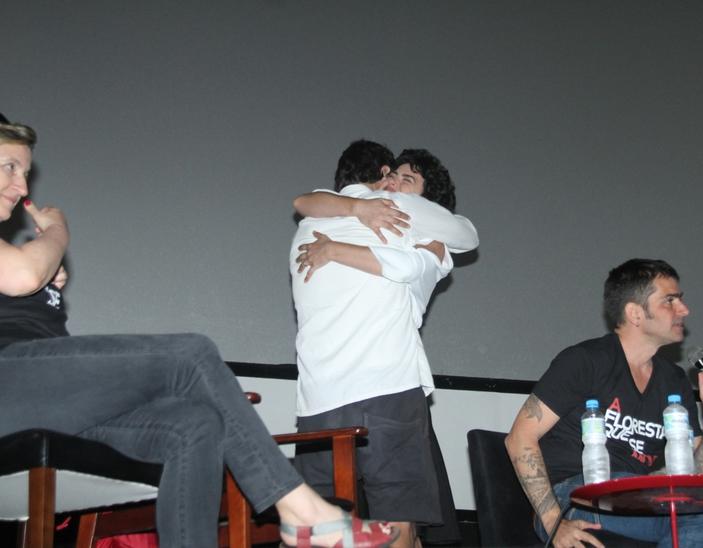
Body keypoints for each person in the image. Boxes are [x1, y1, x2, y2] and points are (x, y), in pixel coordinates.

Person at [0, 114, 396, 548]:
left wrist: (43, 283)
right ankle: (299, 510)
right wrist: (56, 234)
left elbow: (25, 293)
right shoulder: (21, 259)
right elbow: (22, 275)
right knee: (189, 355)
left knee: (194, 425)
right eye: (9, 167)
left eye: (25, 172)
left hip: (38, 401)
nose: (21, 186)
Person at [290, 141, 478, 548]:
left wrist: (334, 247)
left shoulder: (322, 220)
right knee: (396, 520)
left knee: (320, 527)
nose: (395, 183)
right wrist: (359, 211)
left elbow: (303, 201)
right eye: (393, 174)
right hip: (384, 388)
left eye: (406, 179)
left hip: (321, 398)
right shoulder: (385, 212)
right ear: (380, 173)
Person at [505, 258, 703, 548]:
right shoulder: (585, 361)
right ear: (635, 313)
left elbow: (697, 476)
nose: (684, 309)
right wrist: (554, 522)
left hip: (638, 497)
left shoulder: (674, 380)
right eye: (670, 300)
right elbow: (519, 438)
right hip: (575, 496)